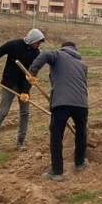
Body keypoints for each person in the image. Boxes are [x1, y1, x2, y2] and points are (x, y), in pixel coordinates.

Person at [27, 41, 89, 182]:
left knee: (56, 135)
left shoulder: (58, 55)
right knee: (81, 132)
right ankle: (79, 163)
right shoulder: (83, 64)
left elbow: (44, 54)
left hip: (62, 103)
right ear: (75, 50)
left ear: (64, 48)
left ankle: (57, 171)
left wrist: (32, 71)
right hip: (82, 104)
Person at [0, 29, 45, 153]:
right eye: (37, 42)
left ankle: (21, 141)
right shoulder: (14, 45)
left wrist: (25, 91)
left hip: (23, 85)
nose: (38, 45)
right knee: (3, 112)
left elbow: (31, 75)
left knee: (25, 113)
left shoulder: (36, 54)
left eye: (40, 43)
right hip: (9, 82)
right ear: (31, 40)